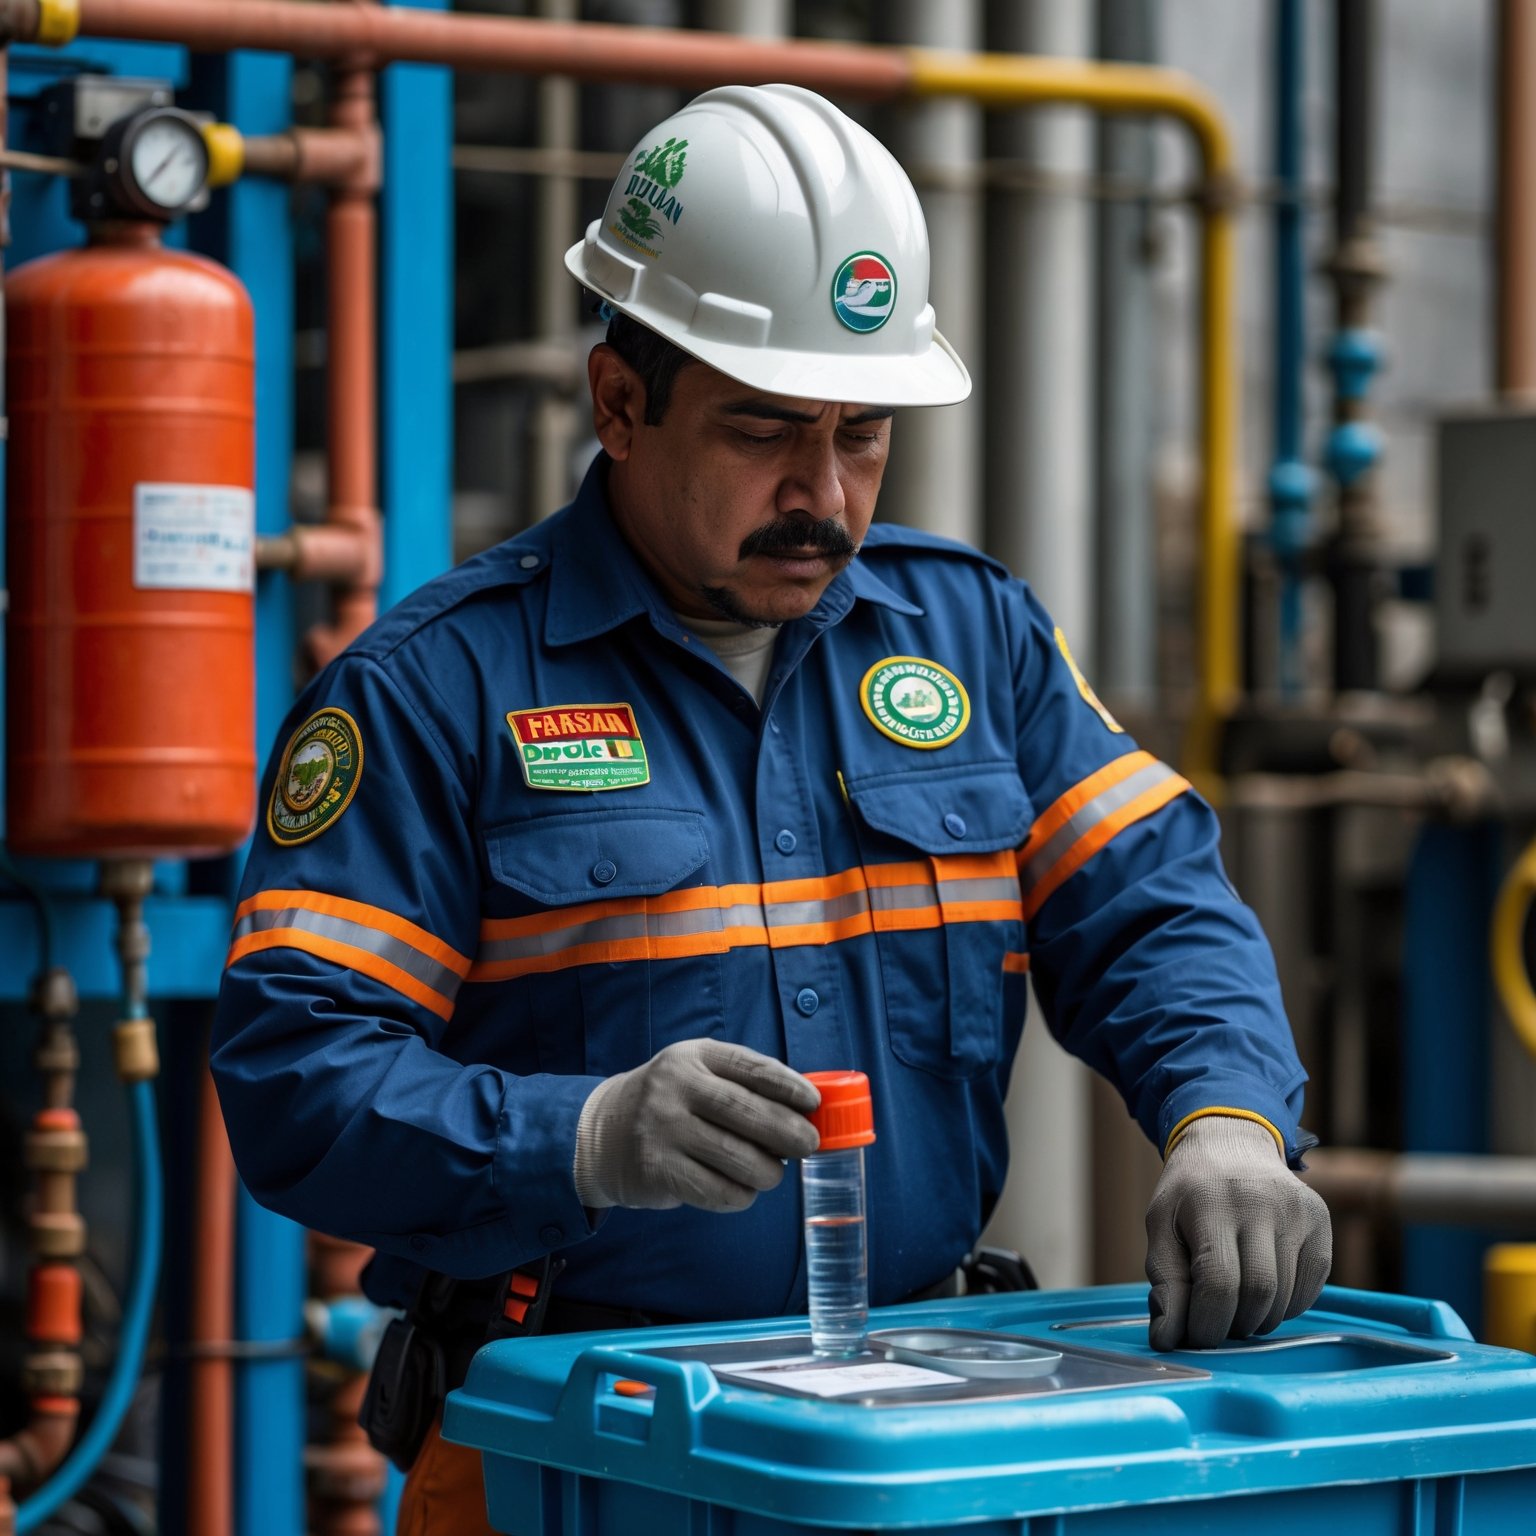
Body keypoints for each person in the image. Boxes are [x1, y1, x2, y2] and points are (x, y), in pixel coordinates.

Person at [213, 83, 1331, 1535]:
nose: (825, 494)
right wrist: (586, 1135)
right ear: (621, 404)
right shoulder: (434, 691)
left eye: (864, 433)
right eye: (764, 433)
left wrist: (1228, 1118)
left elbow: (1152, 906)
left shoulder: (968, 638)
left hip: (916, 1449)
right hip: (567, 1453)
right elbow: (296, 1076)